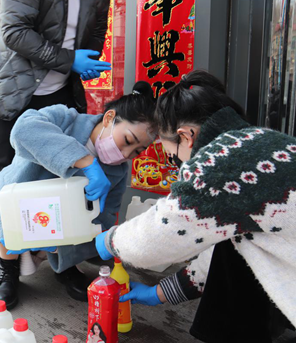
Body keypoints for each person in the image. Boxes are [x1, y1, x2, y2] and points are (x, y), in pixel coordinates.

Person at [95, 70, 296, 342]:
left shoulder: (222, 161)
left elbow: (158, 237)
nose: (179, 167)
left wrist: (111, 241)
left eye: (173, 158)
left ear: (186, 136)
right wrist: (159, 293)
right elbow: (219, 251)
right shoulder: (263, 141)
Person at [0, 0, 112, 283]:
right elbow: (15, 32)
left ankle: (61, 259)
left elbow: (97, 30)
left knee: (60, 174)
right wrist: (70, 60)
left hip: (60, 90)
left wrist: (89, 58)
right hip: (13, 89)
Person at [0, 82, 157, 309]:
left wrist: (98, 237)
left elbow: (107, 213)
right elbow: (23, 131)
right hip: (21, 205)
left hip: (59, 222)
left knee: (81, 223)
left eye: (137, 151)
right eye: (128, 140)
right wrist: (85, 161)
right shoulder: (65, 117)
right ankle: (8, 270)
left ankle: (67, 267)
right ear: (109, 118)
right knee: (9, 215)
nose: (126, 154)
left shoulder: (118, 170)